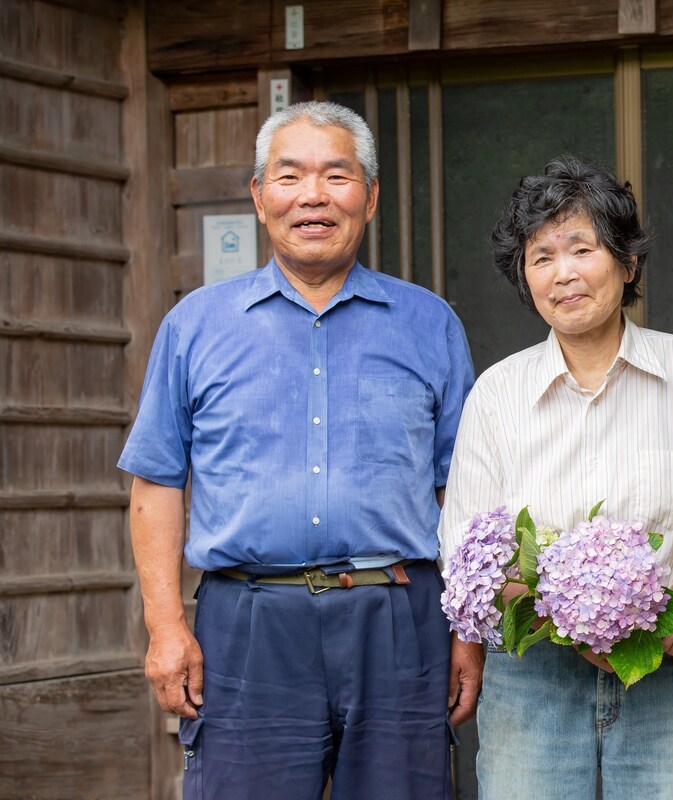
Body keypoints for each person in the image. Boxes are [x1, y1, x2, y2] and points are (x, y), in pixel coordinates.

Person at [118, 101, 481, 800]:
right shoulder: (194, 326)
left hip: (400, 621)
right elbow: (156, 484)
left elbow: (461, 493)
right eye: (290, 176)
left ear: (369, 198)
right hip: (249, 624)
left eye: (336, 176)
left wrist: (467, 634)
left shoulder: (429, 324)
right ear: (259, 197)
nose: (313, 196)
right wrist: (166, 627)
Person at [438, 155, 673, 799]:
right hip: (533, 678)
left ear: (627, 262)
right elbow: (468, 543)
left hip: (668, 672)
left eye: (581, 248)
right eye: (540, 257)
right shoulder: (497, 394)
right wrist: (559, 618)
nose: (562, 274)